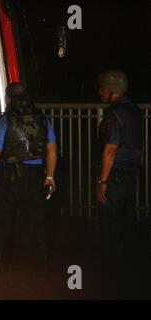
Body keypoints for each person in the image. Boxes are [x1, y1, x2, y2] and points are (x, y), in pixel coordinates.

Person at [0, 83, 57, 264]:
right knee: (36, 218)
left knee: (4, 219)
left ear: (8, 98)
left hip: (10, 177)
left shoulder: (5, 121)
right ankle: (40, 261)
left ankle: (2, 260)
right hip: (36, 175)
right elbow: (51, 150)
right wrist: (50, 176)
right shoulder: (42, 119)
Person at [96, 70, 144, 273]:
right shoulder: (136, 111)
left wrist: (102, 182)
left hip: (114, 176)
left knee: (110, 223)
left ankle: (111, 269)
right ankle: (131, 267)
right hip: (132, 173)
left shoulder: (113, 113)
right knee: (128, 221)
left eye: (101, 88)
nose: (99, 92)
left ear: (109, 90)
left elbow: (110, 149)